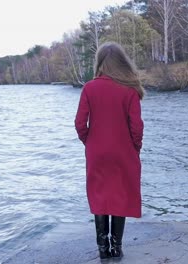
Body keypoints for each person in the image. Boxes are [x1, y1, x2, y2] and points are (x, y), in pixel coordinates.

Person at [75, 42, 144, 261]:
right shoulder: (130, 90)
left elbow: (79, 124)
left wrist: (91, 143)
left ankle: (102, 249)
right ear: (122, 63)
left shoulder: (89, 87)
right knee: (120, 195)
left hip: (97, 152)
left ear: (100, 63)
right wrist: (135, 147)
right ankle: (117, 248)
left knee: (100, 196)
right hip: (123, 152)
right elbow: (137, 126)